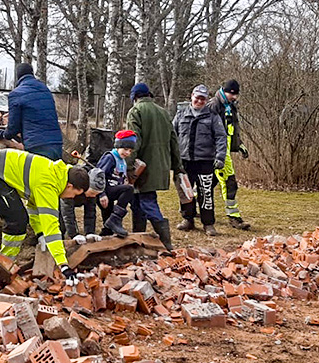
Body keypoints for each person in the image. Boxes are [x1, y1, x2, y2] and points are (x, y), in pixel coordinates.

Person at [0, 149, 89, 285]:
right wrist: (64, 266)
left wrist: (40, 234)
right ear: (69, 185)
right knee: (17, 220)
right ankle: (2, 270)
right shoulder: (48, 184)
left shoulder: (56, 173)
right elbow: (51, 226)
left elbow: (33, 207)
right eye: (74, 194)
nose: (72, 198)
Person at [125, 83, 183, 250]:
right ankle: (138, 238)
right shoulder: (163, 112)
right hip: (160, 166)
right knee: (137, 202)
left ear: (134, 98)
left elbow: (133, 142)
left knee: (148, 202)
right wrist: (177, 166)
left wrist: (128, 167)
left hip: (143, 168)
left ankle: (166, 243)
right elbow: (174, 141)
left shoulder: (135, 112)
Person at [174, 84, 227, 236]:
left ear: (206, 100)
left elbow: (221, 138)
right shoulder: (181, 114)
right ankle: (188, 219)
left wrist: (220, 157)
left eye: (203, 99)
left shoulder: (213, 116)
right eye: (197, 97)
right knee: (185, 192)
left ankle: (208, 224)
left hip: (205, 162)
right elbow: (172, 136)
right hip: (185, 161)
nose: (200, 101)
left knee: (206, 193)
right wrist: (173, 158)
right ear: (192, 96)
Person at [0, 63, 63, 160]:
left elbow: (13, 128)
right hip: (56, 143)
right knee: (55, 174)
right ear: (32, 73)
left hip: (37, 146)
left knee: (38, 174)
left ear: (18, 76)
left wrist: (2, 134)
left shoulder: (16, 94)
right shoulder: (45, 90)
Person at [208, 79, 250, 230]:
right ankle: (234, 218)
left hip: (224, 149)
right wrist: (215, 153)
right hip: (217, 151)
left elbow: (232, 129)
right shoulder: (214, 105)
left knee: (210, 181)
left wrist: (239, 145)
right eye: (232, 94)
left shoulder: (230, 106)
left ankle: (191, 208)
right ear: (224, 91)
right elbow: (208, 131)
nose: (235, 97)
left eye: (236, 95)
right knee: (229, 181)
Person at [96, 130, 138, 237]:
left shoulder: (122, 160)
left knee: (108, 224)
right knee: (128, 189)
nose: (127, 153)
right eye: (125, 149)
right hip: (103, 190)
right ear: (118, 146)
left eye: (130, 151)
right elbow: (99, 175)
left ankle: (107, 232)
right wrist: (102, 194)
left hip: (112, 189)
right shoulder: (110, 157)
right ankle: (116, 218)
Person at [60, 166, 104, 240]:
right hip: (62, 201)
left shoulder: (92, 195)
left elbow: (90, 213)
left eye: (96, 194)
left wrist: (90, 232)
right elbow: (67, 213)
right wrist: (74, 234)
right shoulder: (73, 187)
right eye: (92, 193)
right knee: (61, 223)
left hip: (78, 198)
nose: (93, 196)